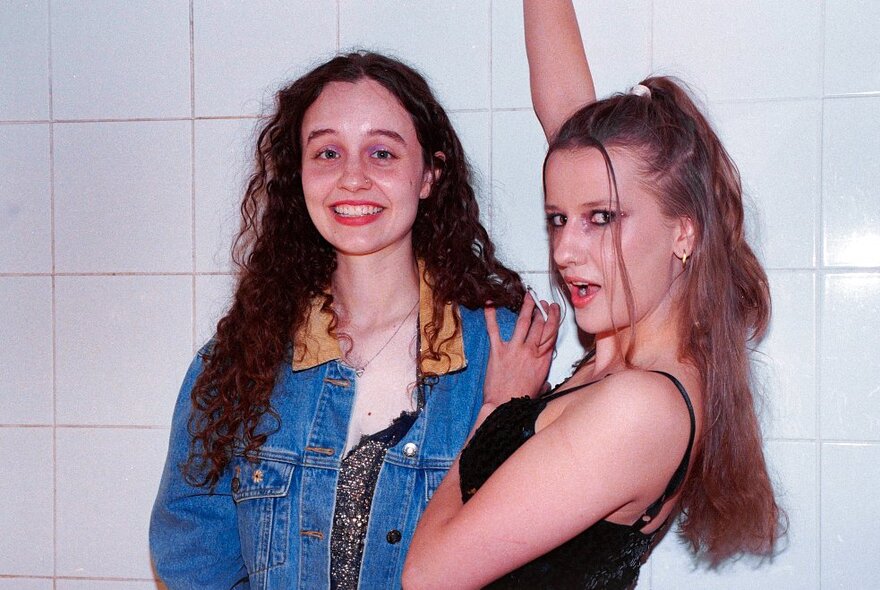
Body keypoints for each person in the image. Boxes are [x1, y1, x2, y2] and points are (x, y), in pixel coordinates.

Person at [402, 2, 785, 588]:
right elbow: (576, 136)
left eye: (601, 218)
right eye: (557, 218)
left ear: (683, 231)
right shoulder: (619, 353)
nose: (565, 252)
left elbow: (427, 577)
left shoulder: (642, 407)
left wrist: (495, 409)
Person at [149, 51, 560, 589]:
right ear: (299, 176)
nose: (352, 177)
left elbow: (528, 551)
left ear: (429, 175)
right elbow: (191, 547)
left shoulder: (499, 349)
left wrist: (501, 414)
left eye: (382, 152)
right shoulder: (237, 361)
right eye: (327, 152)